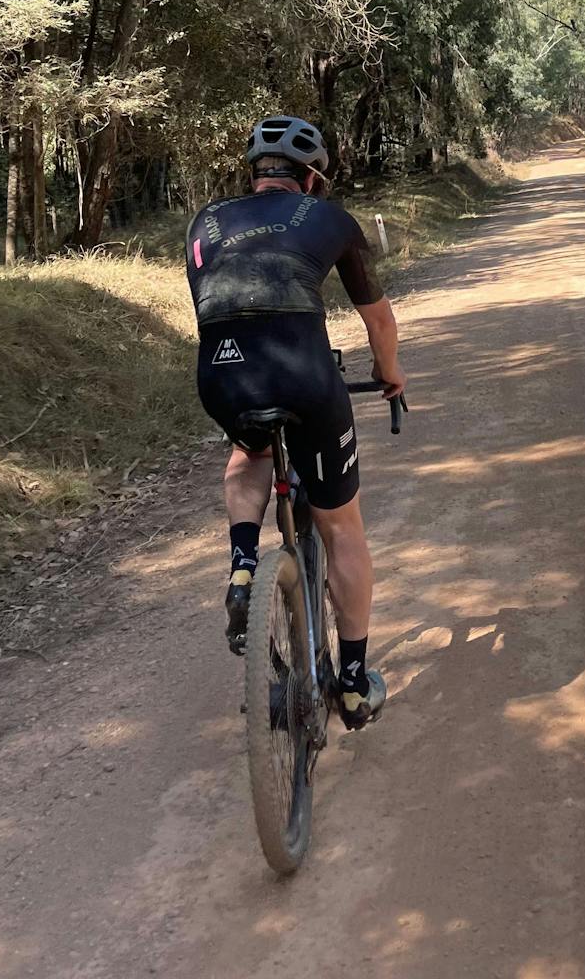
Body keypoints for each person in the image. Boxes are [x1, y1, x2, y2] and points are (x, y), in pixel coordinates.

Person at [185, 114, 405, 729]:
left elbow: (227, 308)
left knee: (248, 454)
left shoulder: (204, 222)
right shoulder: (328, 217)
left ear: (255, 176)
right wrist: (391, 375)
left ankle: (244, 563)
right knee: (342, 529)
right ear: (311, 179)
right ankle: (356, 685)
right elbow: (379, 322)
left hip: (224, 376)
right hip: (305, 377)